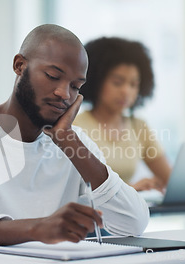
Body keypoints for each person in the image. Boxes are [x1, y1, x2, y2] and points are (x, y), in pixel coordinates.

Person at [0, 24, 149, 251]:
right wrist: (38, 229)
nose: (64, 94)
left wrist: (67, 140)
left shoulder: (75, 143)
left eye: (75, 86)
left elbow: (134, 223)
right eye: (53, 76)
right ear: (19, 66)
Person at [73, 37, 171, 192]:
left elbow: (171, 179)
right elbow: (74, 191)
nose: (126, 91)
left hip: (128, 213)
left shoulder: (139, 127)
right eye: (117, 82)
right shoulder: (75, 127)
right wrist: (130, 189)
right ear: (97, 81)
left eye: (133, 84)